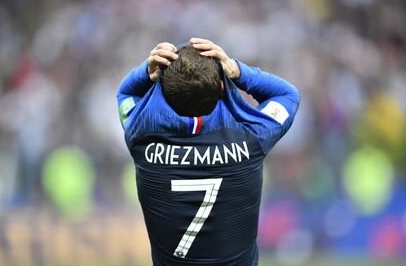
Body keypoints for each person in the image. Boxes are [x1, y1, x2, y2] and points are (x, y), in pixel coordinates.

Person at [116, 38, 300, 266]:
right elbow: (288, 96)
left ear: (163, 92)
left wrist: (146, 71)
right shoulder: (250, 137)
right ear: (222, 87)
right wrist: (238, 71)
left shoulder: (141, 135)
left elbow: (125, 95)